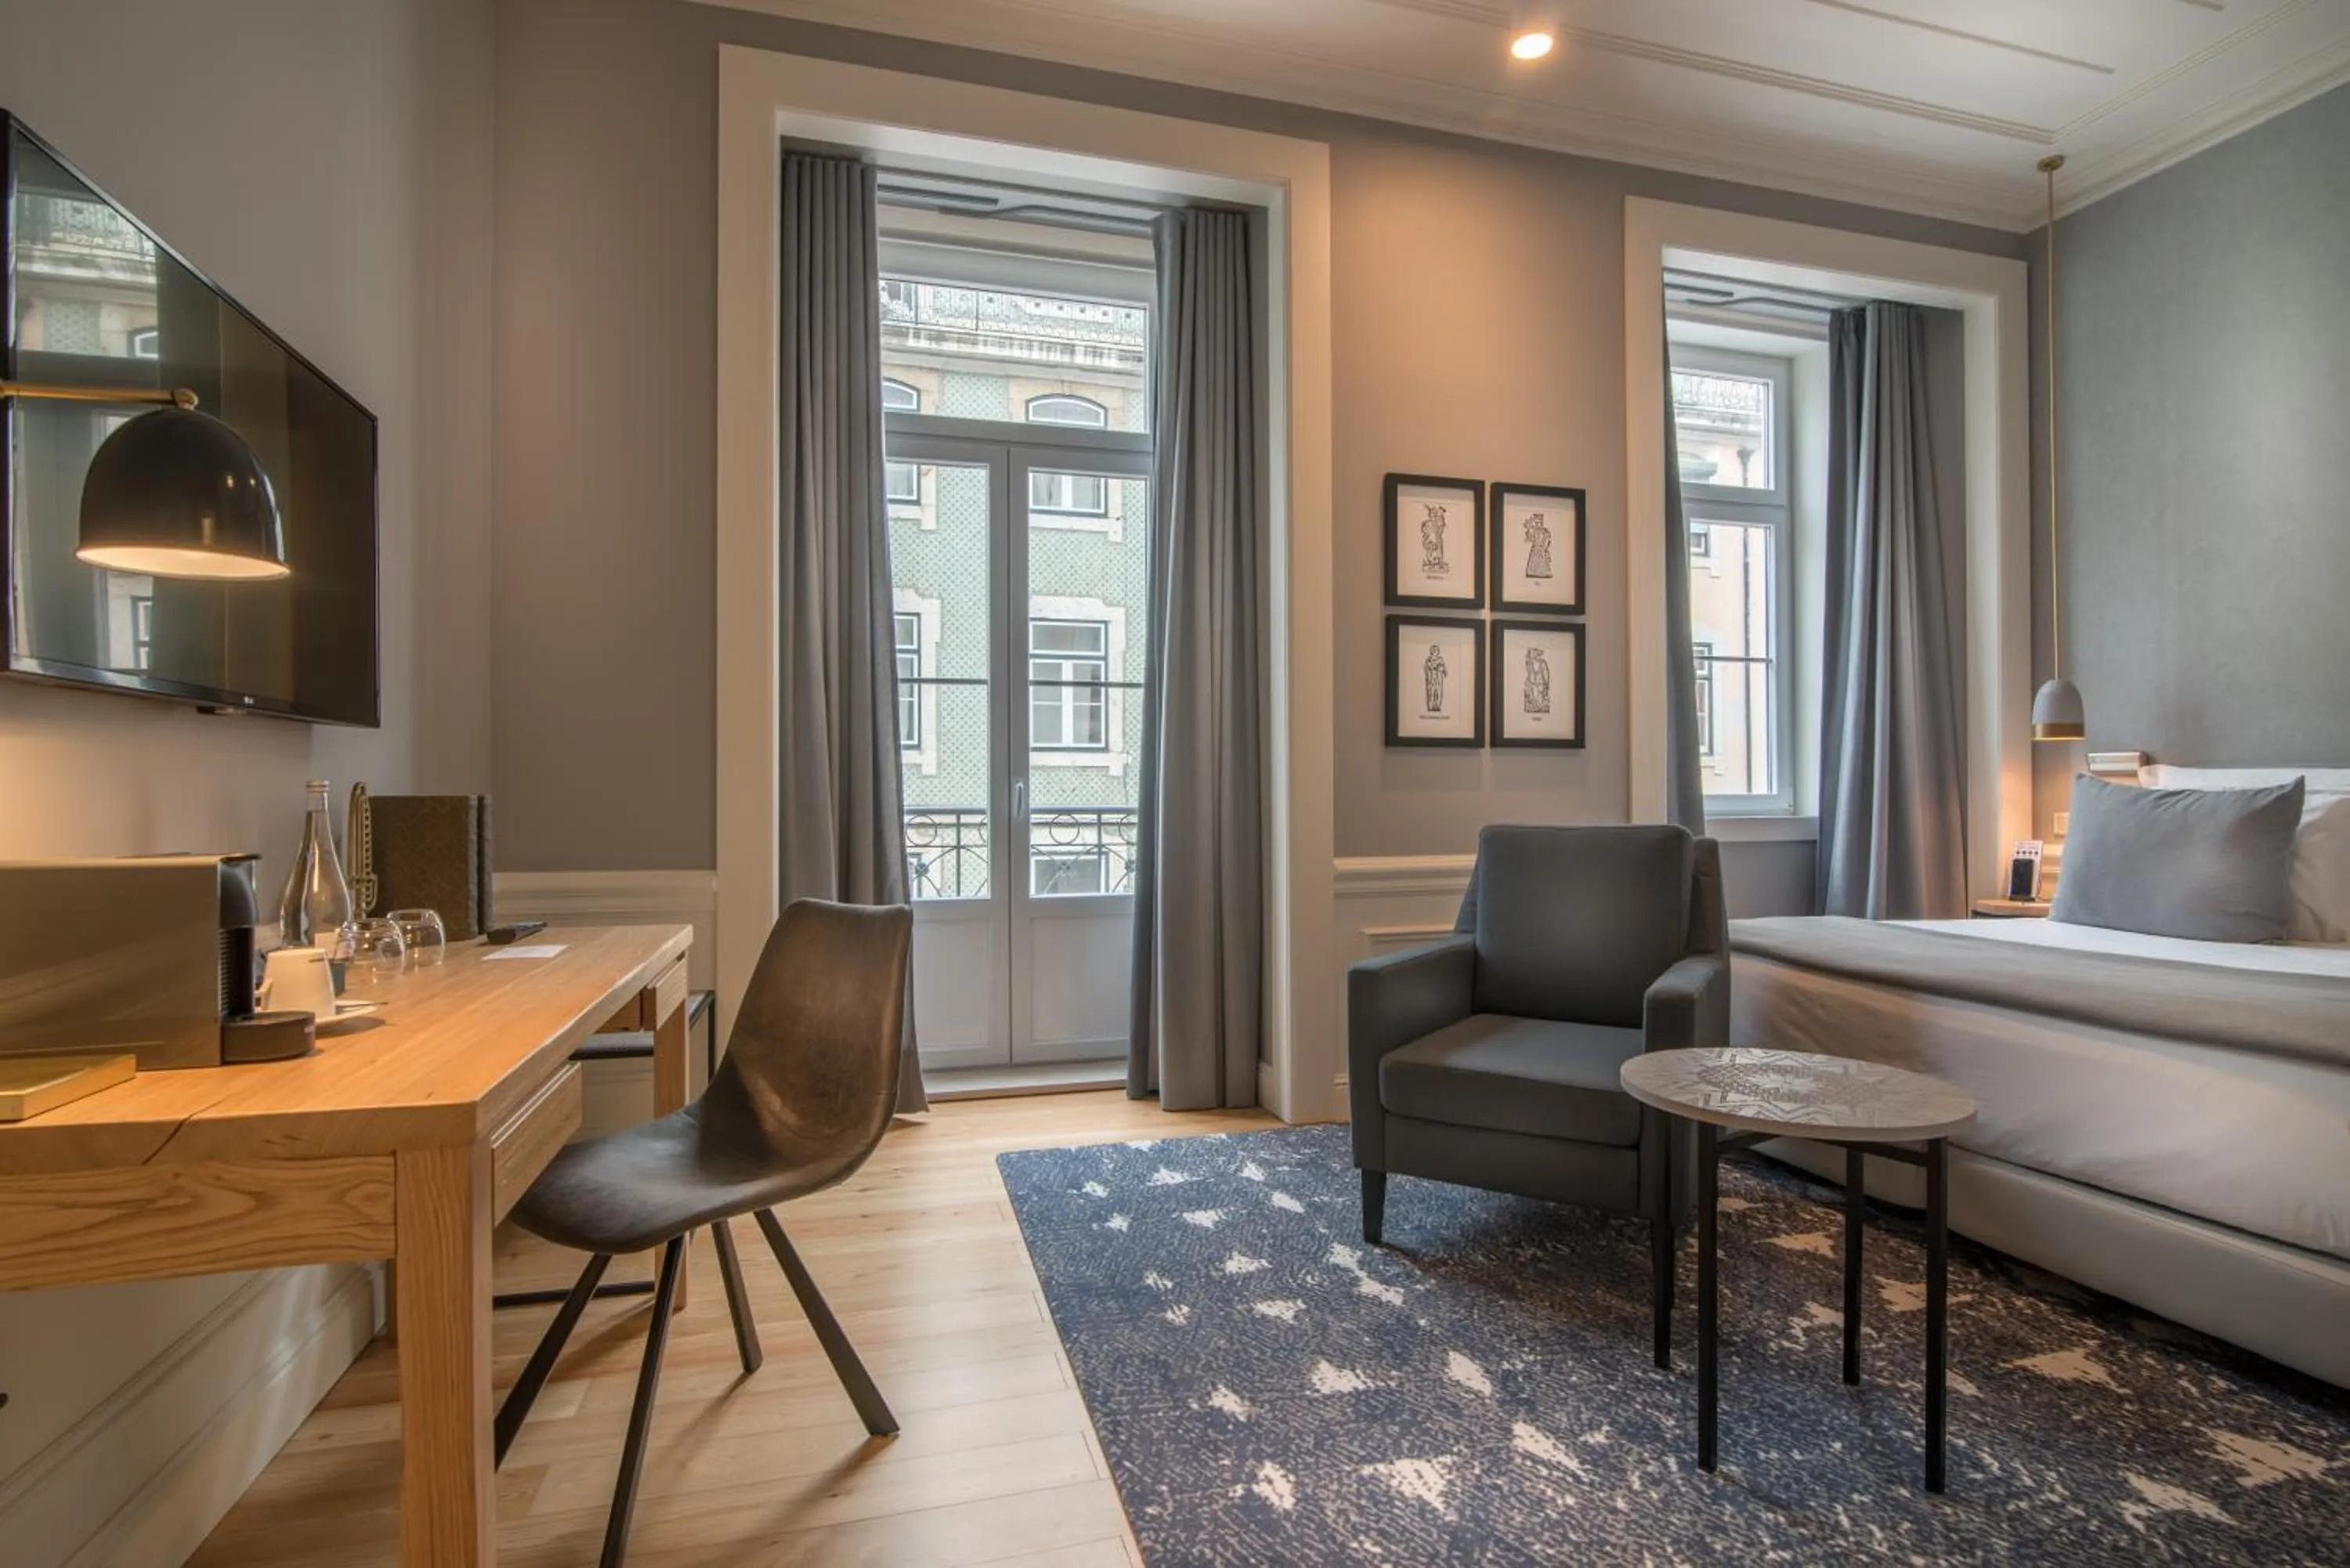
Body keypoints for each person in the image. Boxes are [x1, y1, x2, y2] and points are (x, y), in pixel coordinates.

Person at [1423, 642, 1448, 714]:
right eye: (1433, 650)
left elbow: (1444, 669)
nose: (1435, 652)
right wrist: (1430, 671)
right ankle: (1430, 707)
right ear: (1431, 651)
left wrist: (1443, 670)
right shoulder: (1428, 660)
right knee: (1431, 693)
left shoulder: (1441, 659)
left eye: (1436, 650)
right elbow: (1426, 669)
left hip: (1439, 679)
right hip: (1431, 679)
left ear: (1438, 651)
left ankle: (1438, 707)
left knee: (1438, 693)